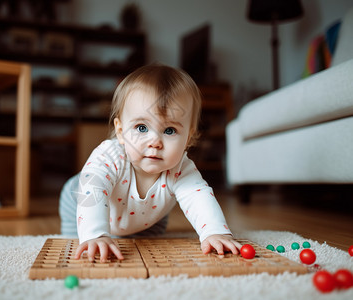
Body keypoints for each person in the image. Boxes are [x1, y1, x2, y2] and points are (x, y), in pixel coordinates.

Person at [59, 63, 241, 262]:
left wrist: (215, 232)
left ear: (188, 138)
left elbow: (198, 197)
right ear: (120, 131)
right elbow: (92, 189)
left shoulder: (181, 167)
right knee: (80, 243)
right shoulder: (110, 156)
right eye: (142, 128)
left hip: (148, 218)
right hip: (79, 200)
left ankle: (121, 232)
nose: (155, 142)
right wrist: (95, 234)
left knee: (147, 247)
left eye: (169, 130)